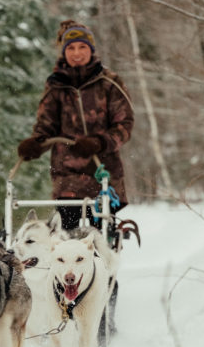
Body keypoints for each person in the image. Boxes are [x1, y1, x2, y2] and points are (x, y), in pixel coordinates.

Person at [17, 19, 135, 231]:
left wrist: (99, 142)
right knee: (66, 241)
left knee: (100, 239)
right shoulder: (56, 85)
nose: (77, 53)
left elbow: (124, 125)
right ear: (64, 52)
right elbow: (46, 127)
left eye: (82, 47)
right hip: (67, 176)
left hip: (104, 173)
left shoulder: (109, 82)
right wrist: (35, 145)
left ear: (91, 49)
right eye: (70, 48)